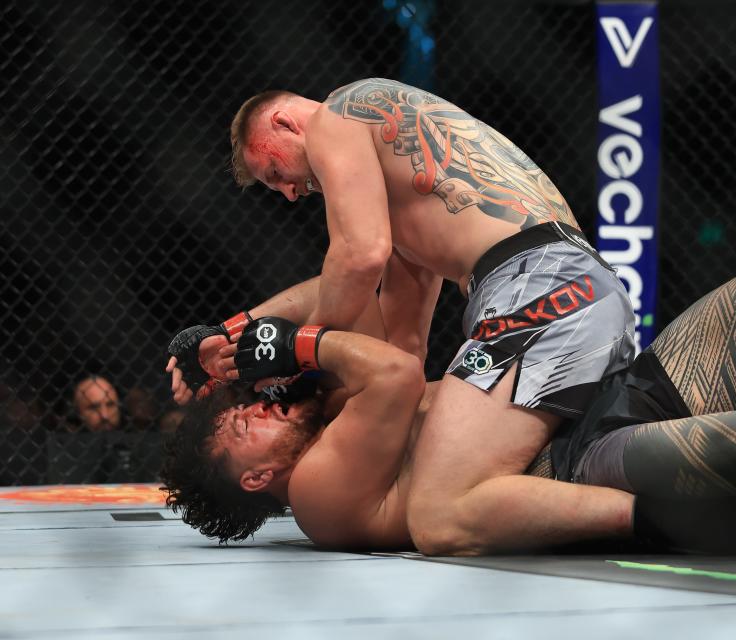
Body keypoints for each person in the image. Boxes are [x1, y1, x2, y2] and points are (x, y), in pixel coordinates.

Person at [167, 78, 637, 555]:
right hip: (575, 283)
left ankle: (655, 517)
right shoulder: (406, 211)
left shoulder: (337, 115)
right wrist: (229, 337)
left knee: (441, 514)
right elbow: (399, 346)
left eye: (274, 172)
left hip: (535, 287)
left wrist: (296, 359)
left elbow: (359, 257)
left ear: (284, 123)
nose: (289, 193)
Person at [161, 312, 736, 556]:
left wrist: (230, 338)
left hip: (584, 399)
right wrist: (292, 348)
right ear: (255, 480)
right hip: (573, 462)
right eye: (243, 423)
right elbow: (396, 370)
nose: (259, 409)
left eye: (248, 404)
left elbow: (370, 307)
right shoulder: (315, 493)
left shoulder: (331, 417)